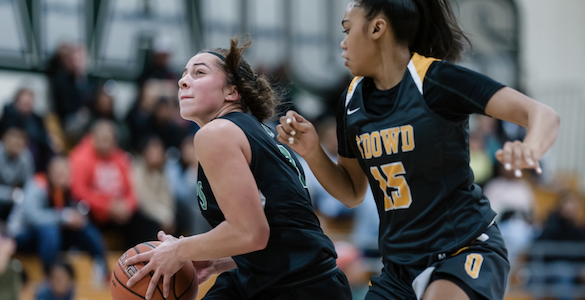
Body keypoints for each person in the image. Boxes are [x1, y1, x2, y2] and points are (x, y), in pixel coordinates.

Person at [276, 1, 560, 299]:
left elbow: (542, 114)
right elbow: (352, 192)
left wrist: (530, 148)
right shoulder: (351, 100)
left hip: (462, 248)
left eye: (348, 30)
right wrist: (312, 152)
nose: (343, 43)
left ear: (377, 29)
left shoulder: (436, 80)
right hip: (399, 267)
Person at [124, 37, 352, 300]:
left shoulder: (217, 133)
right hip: (297, 279)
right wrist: (221, 260)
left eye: (199, 72)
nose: (182, 81)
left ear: (232, 92)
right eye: (184, 74)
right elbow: (282, 229)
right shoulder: (263, 135)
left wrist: (179, 250)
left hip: (296, 286)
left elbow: (252, 232)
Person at [9, 155, 108, 276]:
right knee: (50, 230)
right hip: (21, 235)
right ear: (49, 171)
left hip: (51, 239)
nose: (61, 175)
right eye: (57, 171)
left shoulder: (66, 191)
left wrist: (77, 218)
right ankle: (50, 278)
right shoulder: (37, 184)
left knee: (86, 228)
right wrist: (65, 217)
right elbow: (32, 217)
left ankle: (103, 269)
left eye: (65, 172)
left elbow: (76, 213)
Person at [69, 120, 160, 247]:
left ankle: (141, 262)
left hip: (119, 211)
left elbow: (131, 190)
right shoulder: (79, 157)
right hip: (94, 213)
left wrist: (127, 206)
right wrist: (107, 206)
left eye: (109, 139)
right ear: (92, 137)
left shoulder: (120, 157)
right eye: (102, 138)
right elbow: (79, 191)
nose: (106, 143)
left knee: (149, 226)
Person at [0, 125, 34, 224]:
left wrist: (21, 196)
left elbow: (30, 185)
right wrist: (11, 194)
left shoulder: (25, 156)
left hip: (14, 202)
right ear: (3, 138)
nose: (16, 142)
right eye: (13, 137)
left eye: (20, 138)